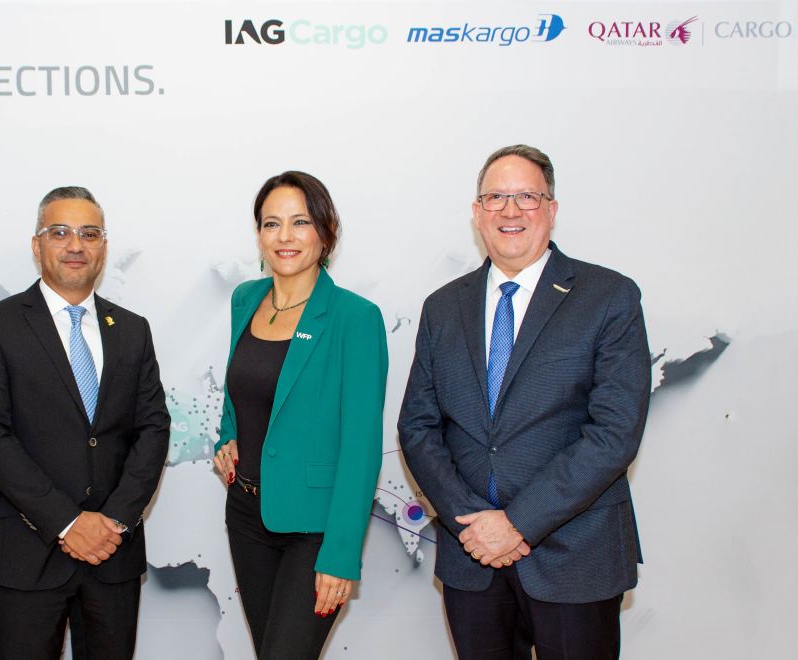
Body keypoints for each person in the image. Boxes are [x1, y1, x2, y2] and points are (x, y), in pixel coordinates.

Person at [398, 144, 651, 659]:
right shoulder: (442, 307)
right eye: (496, 197)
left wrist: (516, 523)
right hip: (472, 557)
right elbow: (418, 427)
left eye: (526, 197)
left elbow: (614, 432)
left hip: (574, 555)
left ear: (551, 210)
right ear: (477, 213)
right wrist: (472, 522)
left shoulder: (608, 297)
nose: (509, 210)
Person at [0, 186, 169, 660]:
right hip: (28, 552)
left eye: (89, 234)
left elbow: (153, 429)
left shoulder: (132, 329)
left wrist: (113, 521)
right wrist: (67, 522)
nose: (76, 245)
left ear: (103, 248)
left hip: (113, 555)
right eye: (60, 232)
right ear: (37, 245)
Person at [212, 171, 388, 659]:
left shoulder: (356, 317)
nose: (284, 237)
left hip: (314, 529)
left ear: (326, 232)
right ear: (259, 234)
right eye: (272, 224)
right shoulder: (246, 299)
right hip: (246, 516)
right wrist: (227, 435)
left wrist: (341, 554)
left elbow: (360, 447)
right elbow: (241, 387)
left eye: (300, 222)